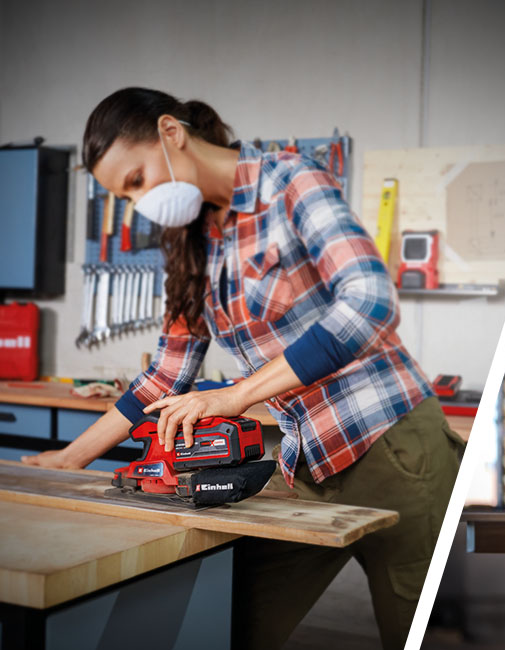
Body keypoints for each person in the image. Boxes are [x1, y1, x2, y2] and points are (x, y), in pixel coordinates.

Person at [21, 87, 464, 650]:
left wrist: (236, 395)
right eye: (123, 197)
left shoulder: (291, 182)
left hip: (397, 449)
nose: (139, 202)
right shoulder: (195, 240)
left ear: (172, 133)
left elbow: (370, 300)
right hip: (306, 463)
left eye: (135, 180)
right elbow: (165, 372)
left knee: (416, 632)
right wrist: (69, 459)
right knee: (231, 622)